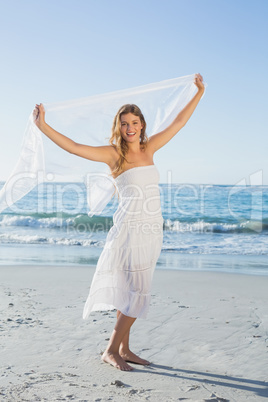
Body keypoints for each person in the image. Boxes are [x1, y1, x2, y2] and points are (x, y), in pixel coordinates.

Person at [34, 73, 205, 371]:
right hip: (129, 230)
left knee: (129, 291)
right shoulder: (115, 155)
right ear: (119, 126)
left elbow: (179, 122)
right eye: (124, 123)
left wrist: (199, 93)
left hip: (153, 229)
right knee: (137, 291)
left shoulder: (149, 148)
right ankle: (110, 349)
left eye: (134, 123)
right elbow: (74, 147)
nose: (129, 128)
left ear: (141, 126)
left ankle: (125, 348)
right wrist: (43, 126)